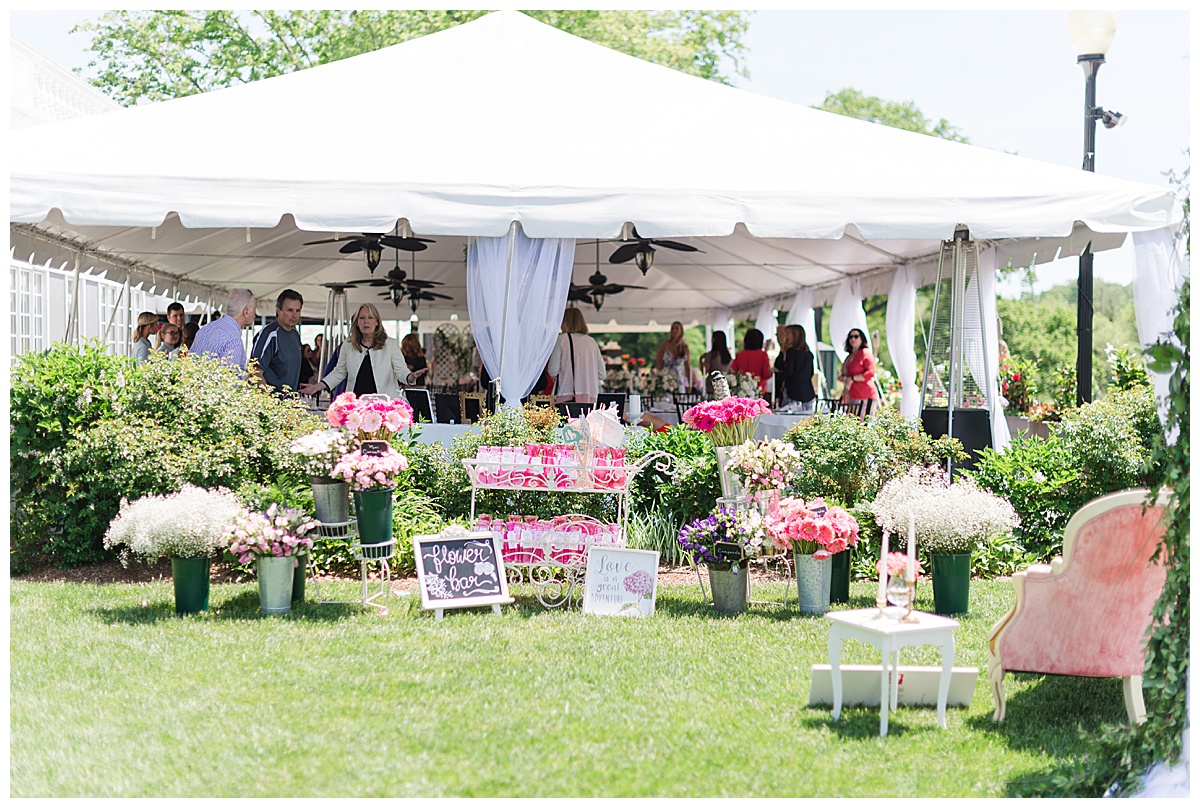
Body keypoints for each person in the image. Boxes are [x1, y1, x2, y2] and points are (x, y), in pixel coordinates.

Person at [299, 303, 425, 399]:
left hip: (384, 405)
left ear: (377, 322)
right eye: (362, 318)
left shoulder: (390, 344)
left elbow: (401, 371)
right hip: (357, 406)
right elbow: (339, 372)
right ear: (357, 323)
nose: (366, 321)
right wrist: (317, 386)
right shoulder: (348, 345)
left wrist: (411, 377)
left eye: (370, 317)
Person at [250, 289, 304, 396]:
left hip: (289, 405)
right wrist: (270, 403)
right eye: (290, 310)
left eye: (297, 311)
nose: (294, 315)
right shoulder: (269, 335)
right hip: (271, 406)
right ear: (278, 311)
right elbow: (254, 371)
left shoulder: (295, 334)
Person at [547, 307, 604, 405]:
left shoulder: (562, 340)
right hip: (591, 397)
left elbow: (552, 370)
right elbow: (602, 374)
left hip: (567, 395)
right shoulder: (592, 342)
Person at [190, 289, 257, 370]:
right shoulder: (234, 340)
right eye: (254, 308)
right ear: (246, 312)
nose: (255, 312)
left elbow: (190, 364)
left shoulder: (205, 329)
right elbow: (231, 379)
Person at [774, 324, 816, 409]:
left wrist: (777, 374)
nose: (786, 336)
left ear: (795, 335)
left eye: (788, 333)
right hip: (807, 391)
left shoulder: (791, 352)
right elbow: (810, 372)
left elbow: (788, 372)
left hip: (793, 390)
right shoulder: (808, 354)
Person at [839, 327, 878, 412]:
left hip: (865, 396)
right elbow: (844, 373)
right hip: (851, 395)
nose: (853, 339)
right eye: (850, 337)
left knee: (863, 423)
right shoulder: (849, 357)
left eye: (856, 336)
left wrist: (853, 378)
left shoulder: (865, 353)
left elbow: (871, 372)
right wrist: (843, 378)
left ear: (862, 338)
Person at [729, 327, 773, 393]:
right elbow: (766, 374)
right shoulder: (763, 355)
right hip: (758, 390)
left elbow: (733, 373)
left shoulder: (740, 355)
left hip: (741, 391)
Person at [654, 321, 691, 394]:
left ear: (681, 331)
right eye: (672, 328)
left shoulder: (684, 347)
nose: (674, 330)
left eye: (677, 328)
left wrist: (689, 383)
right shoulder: (664, 346)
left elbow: (687, 367)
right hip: (667, 381)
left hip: (680, 380)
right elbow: (659, 364)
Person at [700, 330, 733, 397]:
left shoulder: (711, 356)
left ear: (714, 340)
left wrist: (700, 360)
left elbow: (704, 371)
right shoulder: (728, 357)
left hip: (712, 386)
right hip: (725, 386)